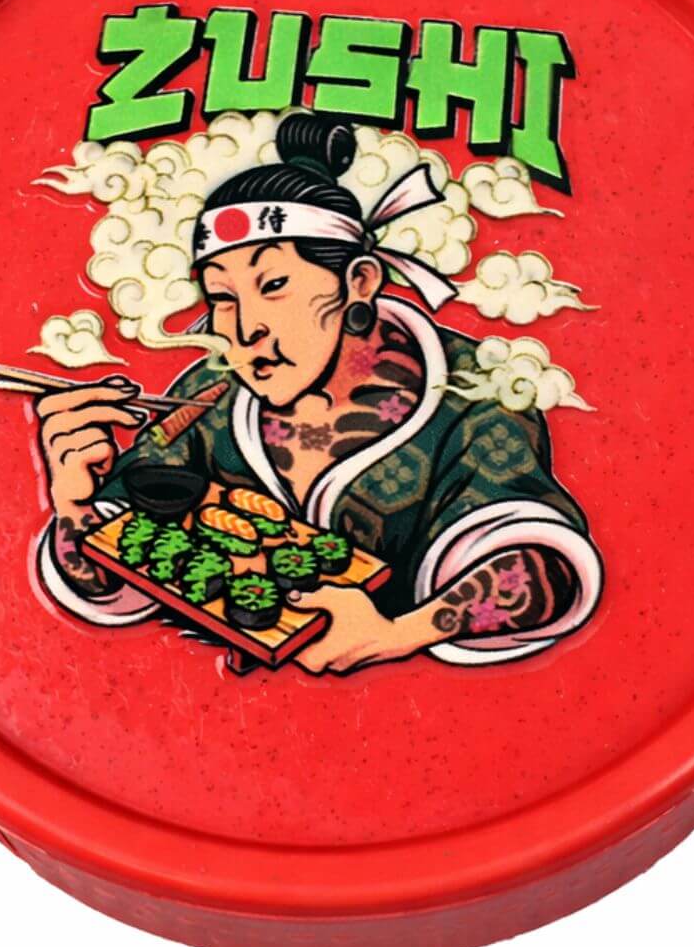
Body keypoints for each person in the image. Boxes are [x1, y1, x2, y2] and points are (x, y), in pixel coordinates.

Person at [36, 114, 601, 672]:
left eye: (274, 285)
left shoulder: (474, 393)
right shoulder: (210, 392)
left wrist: (401, 633)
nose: (245, 329)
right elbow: (124, 555)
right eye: (222, 298)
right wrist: (76, 507)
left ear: (359, 281)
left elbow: (543, 568)